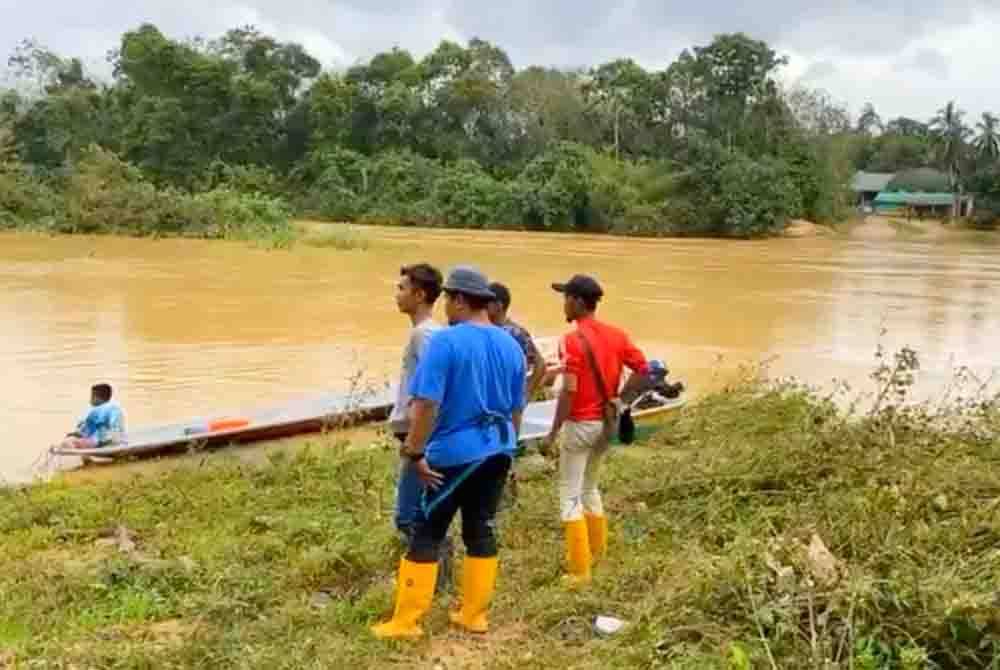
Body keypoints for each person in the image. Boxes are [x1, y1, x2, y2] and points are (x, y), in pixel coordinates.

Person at [372, 266, 526, 640]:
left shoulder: (447, 342)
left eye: (447, 300)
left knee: (425, 530)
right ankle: (473, 615)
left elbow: (425, 404)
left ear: (459, 300)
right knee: (480, 528)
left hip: (453, 454)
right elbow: (518, 406)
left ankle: (406, 621)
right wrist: (509, 448)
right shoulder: (510, 343)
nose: (444, 308)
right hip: (499, 448)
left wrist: (415, 452)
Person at [544, 275, 650, 585]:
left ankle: (579, 571)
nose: (563, 303)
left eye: (566, 297)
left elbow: (569, 393)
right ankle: (597, 554)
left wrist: (552, 432)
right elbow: (645, 370)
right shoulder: (617, 335)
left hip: (579, 425)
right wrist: (620, 400)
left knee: (569, 495)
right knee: (590, 488)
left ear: (577, 301)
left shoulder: (571, 340)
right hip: (607, 424)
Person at [389, 264, 444, 540]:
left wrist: (415, 444)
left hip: (419, 436)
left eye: (402, 288)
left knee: (408, 516)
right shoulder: (428, 332)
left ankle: (426, 572)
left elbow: (432, 390)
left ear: (419, 294)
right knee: (419, 508)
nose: (396, 294)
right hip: (417, 435)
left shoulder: (424, 334)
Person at [487, 282, 546, 403]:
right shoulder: (486, 329)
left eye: (486, 302)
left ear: (499, 305)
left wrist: (527, 392)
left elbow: (540, 364)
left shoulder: (516, 333)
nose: (482, 306)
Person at [60, 384, 126, 451]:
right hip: (104, 440)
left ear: (98, 398)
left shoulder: (97, 412)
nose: (90, 399)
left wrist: (77, 434)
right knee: (71, 438)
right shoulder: (114, 408)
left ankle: (82, 455)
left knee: (67, 442)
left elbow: (89, 430)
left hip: (99, 441)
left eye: (92, 397)